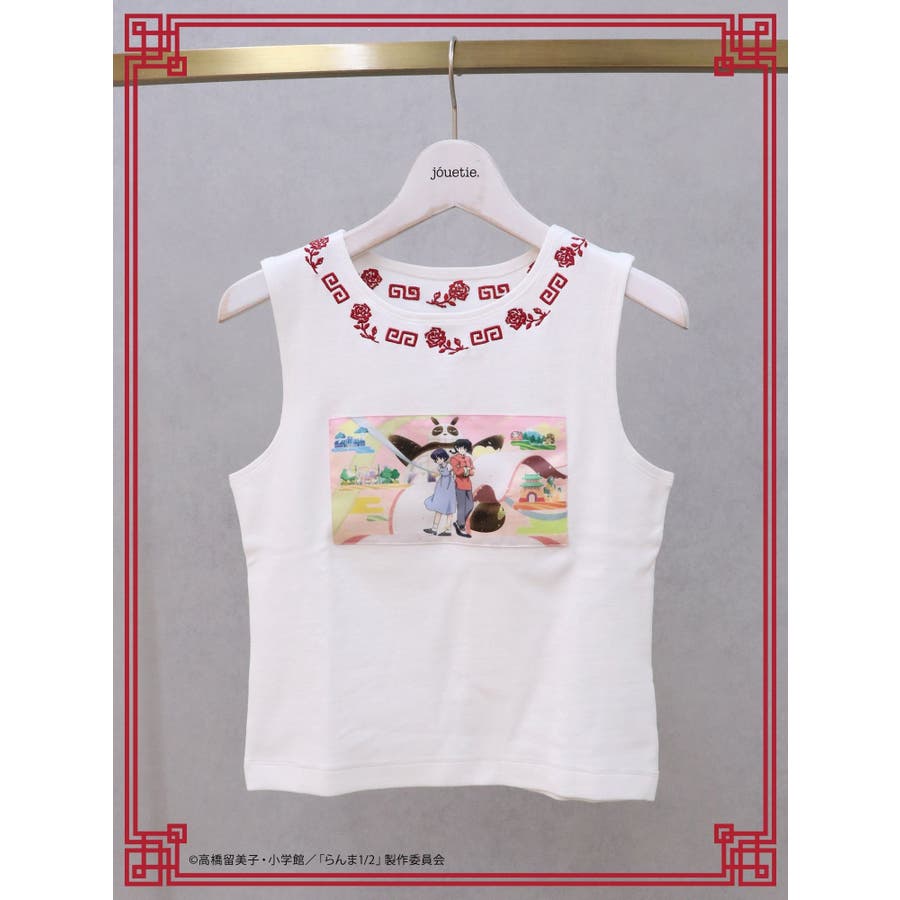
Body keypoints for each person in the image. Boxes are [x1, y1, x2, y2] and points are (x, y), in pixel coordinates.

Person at [423, 448, 455, 536]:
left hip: (448, 488)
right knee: (438, 508)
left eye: (438, 459)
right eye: (435, 459)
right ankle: (434, 529)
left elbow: (453, 473)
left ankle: (448, 530)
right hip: (441, 487)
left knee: (449, 509)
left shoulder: (449, 466)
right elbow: (436, 474)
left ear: (443, 457)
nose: (437, 461)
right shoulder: (439, 467)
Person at [449, 438, 475, 538]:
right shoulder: (454, 459)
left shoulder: (468, 458)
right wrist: (466, 470)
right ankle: (461, 525)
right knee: (461, 506)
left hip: (468, 485)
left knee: (470, 505)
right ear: (457, 448)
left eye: (465, 448)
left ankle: (459, 522)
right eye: (460, 448)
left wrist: (465, 470)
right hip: (459, 485)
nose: (462, 450)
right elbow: (457, 472)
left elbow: (473, 471)